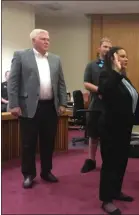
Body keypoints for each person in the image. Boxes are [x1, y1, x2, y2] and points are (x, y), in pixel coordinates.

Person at [7, 29, 67, 189]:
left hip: (50, 107)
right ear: (33, 40)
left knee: (48, 142)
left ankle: (46, 171)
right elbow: (13, 82)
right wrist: (13, 104)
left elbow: (61, 83)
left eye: (48, 39)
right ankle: (28, 174)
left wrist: (63, 103)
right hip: (28, 107)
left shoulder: (55, 59)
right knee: (28, 143)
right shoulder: (21, 56)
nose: (47, 41)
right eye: (43, 39)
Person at [97, 46, 139, 215]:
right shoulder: (107, 74)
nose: (126, 59)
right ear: (113, 58)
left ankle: (116, 191)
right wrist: (117, 72)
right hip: (110, 128)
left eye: (126, 55)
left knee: (121, 162)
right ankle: (106, 199)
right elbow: (106, 91)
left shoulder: (124, 78)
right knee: (110, 164)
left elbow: (129, 100)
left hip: (124, 127)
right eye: (122, 56)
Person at [81, 37, 112, 173]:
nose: (107, 50)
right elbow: (86, 83)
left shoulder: (115, 65)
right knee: (93, 134)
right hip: (96, 105)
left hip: (111, 106)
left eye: (110, 48)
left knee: (108, 136)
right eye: (105, 47)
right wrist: (99, 90)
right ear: (99, 48)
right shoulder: (92, 65)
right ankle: (91, 160)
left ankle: (108, 163)